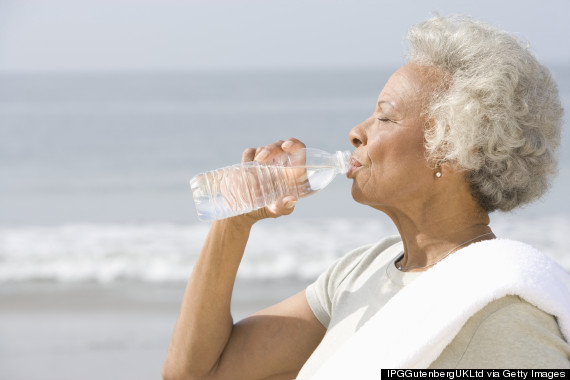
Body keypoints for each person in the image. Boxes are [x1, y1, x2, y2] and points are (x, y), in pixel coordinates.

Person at [162, 15, 569, 379]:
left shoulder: (499, 314)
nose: (356, 131)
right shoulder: (361, 271)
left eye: (385, 117)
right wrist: (234, 221)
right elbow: (198, 373)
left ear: (455, 150)